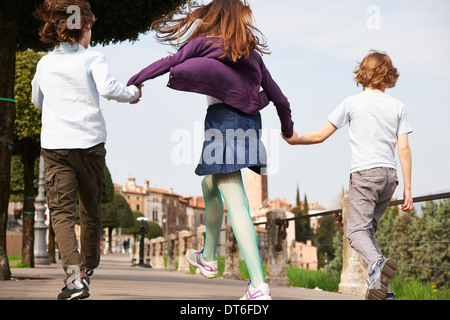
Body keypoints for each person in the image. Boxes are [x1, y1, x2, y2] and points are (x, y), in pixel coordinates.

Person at [127, 0, 294, 300]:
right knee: (209, 182)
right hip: (249, 126)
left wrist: (134, 83)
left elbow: (168, 62)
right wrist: (287, 128)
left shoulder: (205, 43)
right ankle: (209, 257)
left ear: (214, 17)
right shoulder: (251, 54)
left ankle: (258, 285)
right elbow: (279, 97)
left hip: (223, 126)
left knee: (236, 199)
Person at [32, 0, 142, 300]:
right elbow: (108, 89)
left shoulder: (44, 64)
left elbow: (37, 101)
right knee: (90, 209)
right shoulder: (93, 58)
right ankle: (89, 266)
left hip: (55, 147)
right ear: (85, 28)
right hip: (90, 144)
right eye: (90, 28)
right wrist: (133, 93)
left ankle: (75, 277)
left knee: (61, 213)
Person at [282, 50, 413, 300]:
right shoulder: (398, 106)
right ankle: (385, 292)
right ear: (387, 76)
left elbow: (321, 135)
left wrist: (294, 140)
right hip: (390, 177)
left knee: (354, 231)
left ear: (363, 73)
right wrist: (408, 188)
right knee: (367, 232)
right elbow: (404, 148)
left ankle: (376, 266)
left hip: (365, 174)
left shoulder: (352, 103)